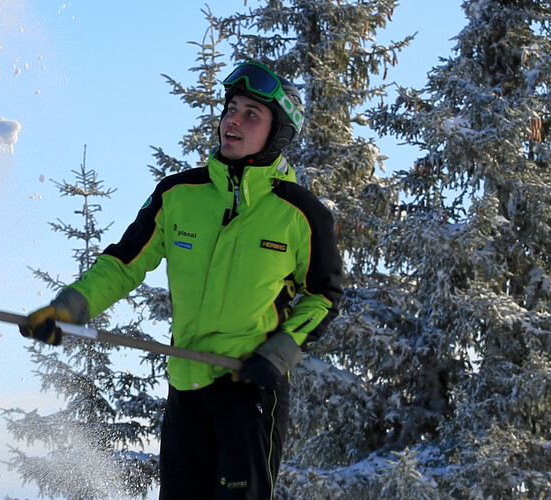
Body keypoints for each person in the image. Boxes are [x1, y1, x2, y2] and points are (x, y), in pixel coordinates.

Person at [20, 61, 343, 499]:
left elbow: (322, 295)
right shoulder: (178, 195)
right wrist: (71, 306)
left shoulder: (300, 213)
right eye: (231, 108)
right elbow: (124, 263)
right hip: (186, 388)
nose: (233, 119)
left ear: (279, 133)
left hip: (247, 389)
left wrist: (280, 352)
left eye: (252, 114)